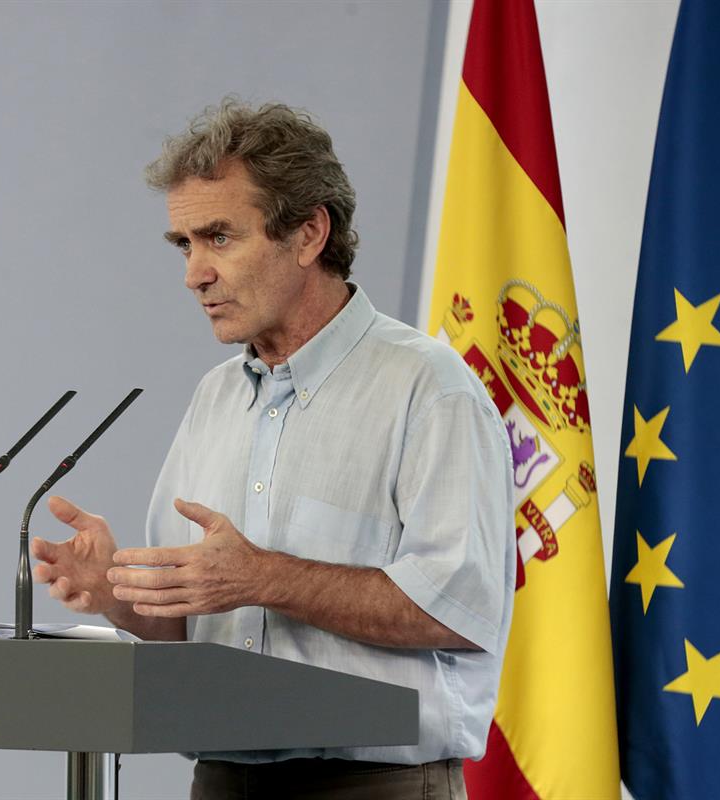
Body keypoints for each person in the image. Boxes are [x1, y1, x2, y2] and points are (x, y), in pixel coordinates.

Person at [31, 99, 514, 799]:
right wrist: (121, 596)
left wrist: (262, 577)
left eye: (219, 237)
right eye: (184, 245)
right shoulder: (217, 396)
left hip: (376, 783)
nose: (194, 273)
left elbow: (458, 609)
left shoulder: (428, 389)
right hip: (224, 778)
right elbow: (191, 621)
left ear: (310, 233)